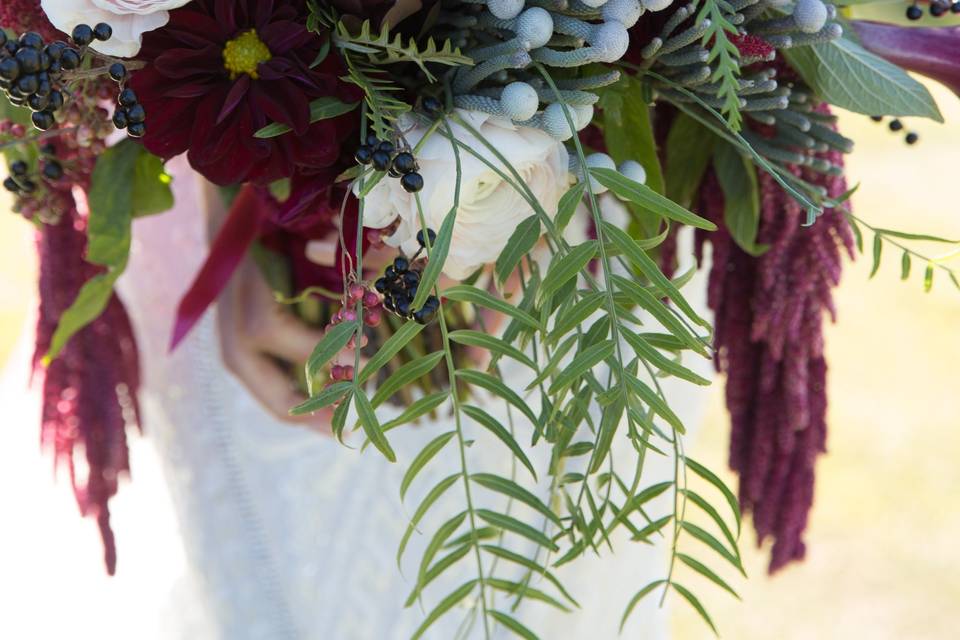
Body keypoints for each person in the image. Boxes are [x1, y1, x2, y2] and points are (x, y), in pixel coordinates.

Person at [107, 154, 716, 639]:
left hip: (594, 213)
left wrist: (524, 197)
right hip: (264, 213)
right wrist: (234, 202)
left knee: (573, 571)